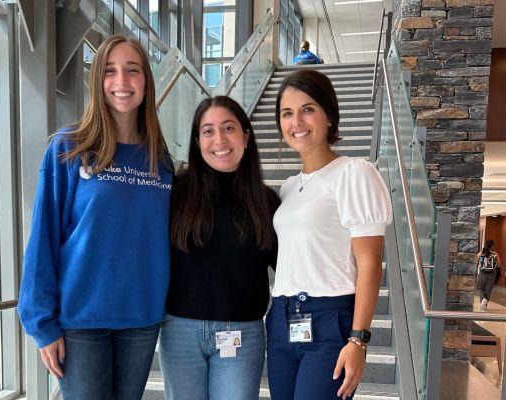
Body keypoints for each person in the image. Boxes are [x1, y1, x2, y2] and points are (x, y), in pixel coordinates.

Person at [17, 35, 173, 400]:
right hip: (80, 321)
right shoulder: (69, 148)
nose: (121, 81)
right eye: (110, 71)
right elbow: (42, 239)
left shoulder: (161, 161)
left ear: (146, 81)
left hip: (141, 318)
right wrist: (42, 324)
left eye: (132, 71)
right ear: (97, 82)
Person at [267, 69, 392, 400]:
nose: (297, 121)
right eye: (287, 113)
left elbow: (370, 264)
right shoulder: (289, 187)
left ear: (329, 116)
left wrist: (358, 340)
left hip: (329, 321)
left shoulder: (353, 173)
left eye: (308, 109)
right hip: (281, 320)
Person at [159, 96, 280, 400]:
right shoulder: (174, 193)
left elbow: (291, 268)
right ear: (197, 141)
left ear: (246, 136)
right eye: (208, 131)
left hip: (242, 334)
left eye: (229, 128)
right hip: (180, 333)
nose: (220, 140)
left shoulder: (266, 202)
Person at [476, 239, 501, 310]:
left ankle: (483, 300)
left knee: (479, 287)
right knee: (488, 289)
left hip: (482, 273)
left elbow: (477, 264)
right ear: (493, 245)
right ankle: (484, 304)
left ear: (485, 244)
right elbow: (499, 265)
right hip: (492, 274)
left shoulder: (480, 253)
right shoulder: (496, 254)